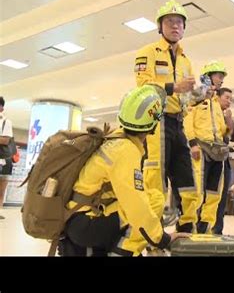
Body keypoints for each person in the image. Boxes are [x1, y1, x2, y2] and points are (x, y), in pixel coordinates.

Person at [60, 85, 189, 256]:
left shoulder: (116, 140)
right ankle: (123, 252)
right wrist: (163, 239)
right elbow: (136, 205)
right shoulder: (126, 151)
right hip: (86, 225)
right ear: (154, 123)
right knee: (153, 201)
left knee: (153, 197)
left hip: (77, 217)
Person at [134, 0, 198, 233]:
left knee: (187, 177)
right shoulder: (147, 53)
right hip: (157, 122)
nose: (175, 25)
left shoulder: (186, 60)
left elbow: (187, 95)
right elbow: (142, 86)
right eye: (170, 21)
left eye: (180, 22)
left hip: (179, 123)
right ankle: (154, 232)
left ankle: (187, 226)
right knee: (155, 177)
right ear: (159, 26)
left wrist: (198, 95)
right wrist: (173, 87)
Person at [183, 61, 230, 234]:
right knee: (197, 191)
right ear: (208, 76)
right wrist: (193, 144)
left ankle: (206, 229)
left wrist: (229, 127)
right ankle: (191, 228)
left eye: (222, 77)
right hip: (200, 149)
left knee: (214, 193)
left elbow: (222, 129)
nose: (221, 80)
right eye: (219, 76)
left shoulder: (217, 103)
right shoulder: (195, 97)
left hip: (218, 152)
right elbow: (187, 121)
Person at [212, 87, 234, 235]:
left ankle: (217, 230)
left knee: (222, 197)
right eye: (227, 97)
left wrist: (229, 121)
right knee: (209, 196)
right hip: (210, 159)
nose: (229, 101)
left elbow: (230, 137)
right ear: (218, 97)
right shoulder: (210, 112)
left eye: (231, 99)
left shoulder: (225, 116)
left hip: (224, 161)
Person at [0, 96, 14, 218]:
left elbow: (5, 140)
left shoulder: (5, 122)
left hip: (3, 160)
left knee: (1, 190)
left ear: (1, 108)